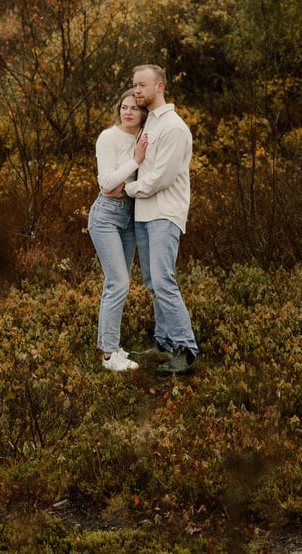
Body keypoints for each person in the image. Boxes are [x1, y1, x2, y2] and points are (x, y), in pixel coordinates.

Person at [108, 63, 199, 376]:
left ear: (160, 86)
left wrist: (127, 189)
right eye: (134, 84)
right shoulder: (150, 124)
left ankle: (186, 350)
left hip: (164, 213)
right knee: (152, 282)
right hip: (145, 214)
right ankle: (162, 343)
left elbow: (160, 177)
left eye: (142, 85)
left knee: (163, 280)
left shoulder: (174, 127)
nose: (137, 90)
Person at [89, 90, 150, 372]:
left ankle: (110, 346)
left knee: (117, 284)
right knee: (119, 283)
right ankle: (109, 355)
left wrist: (124, 182)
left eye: (133, 109)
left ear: (142, 113)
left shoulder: (144, 137)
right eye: (123, 107)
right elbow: (107, 184)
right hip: (106, 216)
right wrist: (135, 161)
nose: (127, 113)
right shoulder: (108, 137)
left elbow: (121, 184)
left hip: (130, 215)